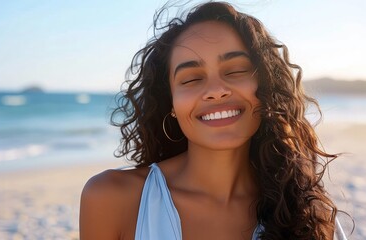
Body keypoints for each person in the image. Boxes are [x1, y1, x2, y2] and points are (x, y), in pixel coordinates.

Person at [80, 1, 348, 239]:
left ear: (266, 87)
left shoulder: (309, 215)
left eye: (235, 70)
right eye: (192, 78)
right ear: (171, 103)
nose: (216, 90)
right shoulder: (112, 199)